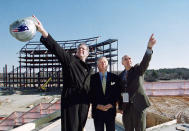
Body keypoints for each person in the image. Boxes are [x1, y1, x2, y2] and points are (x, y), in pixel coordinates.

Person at [33, 15, 93, 131]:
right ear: (76, 52)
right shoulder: (70, 61)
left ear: (88, 53)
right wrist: (42, 31)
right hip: (71, 100)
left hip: (84, 102)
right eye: (79, 48)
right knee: (70, 127)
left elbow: (91, 88)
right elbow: (56, 48)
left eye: (84, 49)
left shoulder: (90, 69)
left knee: (81, 127)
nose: (81, 49)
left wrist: (90, 106)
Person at [118, 34, 156, 131]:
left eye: (130, 58)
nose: (128, 60)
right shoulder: (120, 76)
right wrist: (120, 106)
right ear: (122, 63)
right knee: (128, 128)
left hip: (139, 106)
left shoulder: (138, 69)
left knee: (140, 129)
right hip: (127, 108)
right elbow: (121, 92)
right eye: (125, 59)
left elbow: (145, 62)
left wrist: (149, 48)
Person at [90, 57, 120, 131]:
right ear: (97, 65)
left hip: (110, 112)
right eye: (100, 62)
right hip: (97, 112)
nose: (103, 63)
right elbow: (89, 94)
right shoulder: (91, 78)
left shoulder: (115, 77)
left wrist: (112, 104)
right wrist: (97, 105)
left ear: (107, 64)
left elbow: (117, 93)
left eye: (105, 62)